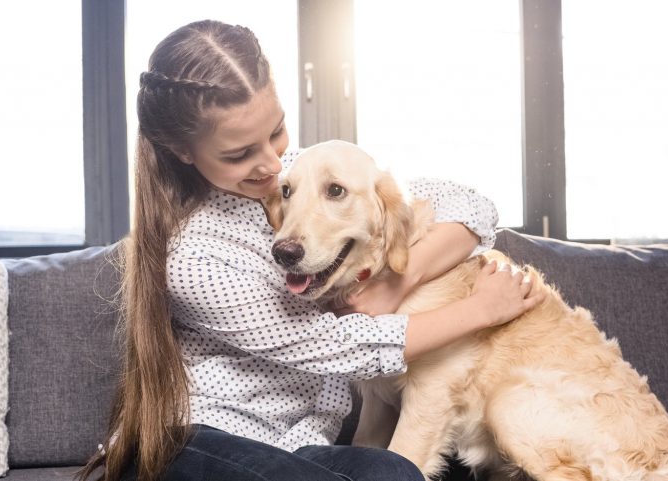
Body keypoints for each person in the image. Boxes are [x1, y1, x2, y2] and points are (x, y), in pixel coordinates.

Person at [77, 19, 544, 481]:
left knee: (403, 470)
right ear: (182, 150)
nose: (272, 163)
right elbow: (334, 346)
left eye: (277, 131)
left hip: (298, 445)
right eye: (240, 154)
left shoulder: (304, 172)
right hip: (193, 441)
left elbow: (471, 206)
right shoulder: (192, 257)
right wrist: (482, 310)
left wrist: (401, 278)